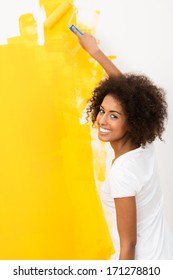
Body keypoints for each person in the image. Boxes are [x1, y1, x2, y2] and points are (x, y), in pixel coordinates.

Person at [71, 26, 173, 260]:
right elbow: (128, 94)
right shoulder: (143, 144)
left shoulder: (123, 173)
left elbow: (128, 244)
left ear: (133, 120)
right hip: (165, 254)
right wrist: (95, 51)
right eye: (102, 111)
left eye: (114, 116)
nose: (102, 120)